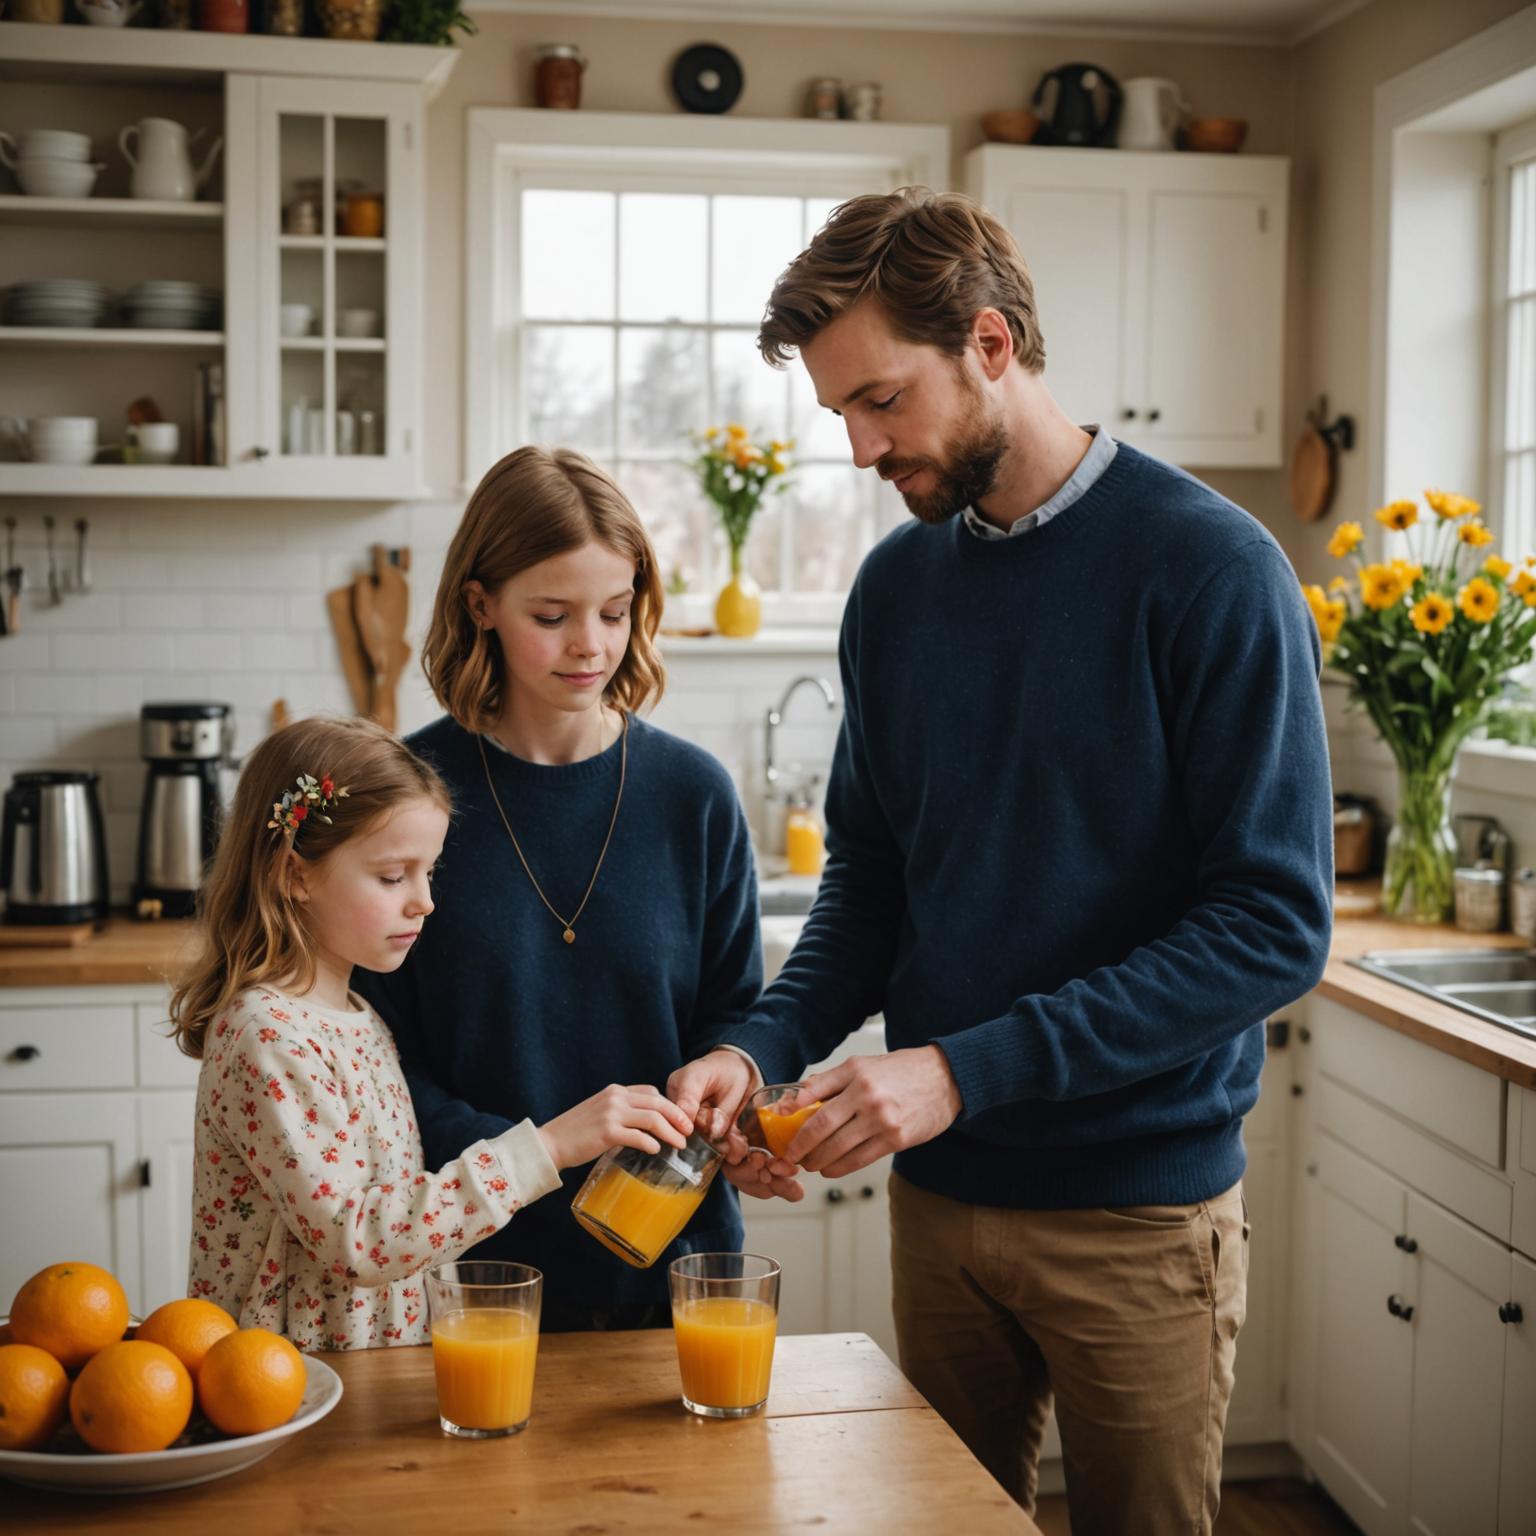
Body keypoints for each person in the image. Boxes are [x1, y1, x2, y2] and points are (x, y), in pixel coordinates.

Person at [669, 188, 1333, 1532]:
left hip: (1139, 1226)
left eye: (880, 401)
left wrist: (965, 1069)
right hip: (943, 1211)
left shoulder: (1212, 570)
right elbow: (870, 883)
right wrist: (756, 1050)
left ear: (986, 344)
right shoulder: (899, 592)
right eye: (841, 413)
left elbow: (1271, 927)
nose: (859, 447)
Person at [353, 446, 762, 1333]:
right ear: (480, 604)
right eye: (552, 614)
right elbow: (378, 1063)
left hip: (675, 1272)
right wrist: (534, 1153)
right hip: (473, 1279)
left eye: (615, 612)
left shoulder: (693, 794)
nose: (591, 646)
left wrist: (736, 1100)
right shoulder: (407, 800)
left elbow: (736, 1015)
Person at [170, 715, 693, 1350]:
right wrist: (547, 1148)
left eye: (429, 872)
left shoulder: (360, 1018)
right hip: (290, 1386)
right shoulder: (268, 1035)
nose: (424, 901)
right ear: (294, 874)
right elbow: (356, 1239)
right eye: (393, 876)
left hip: (375, 1375)